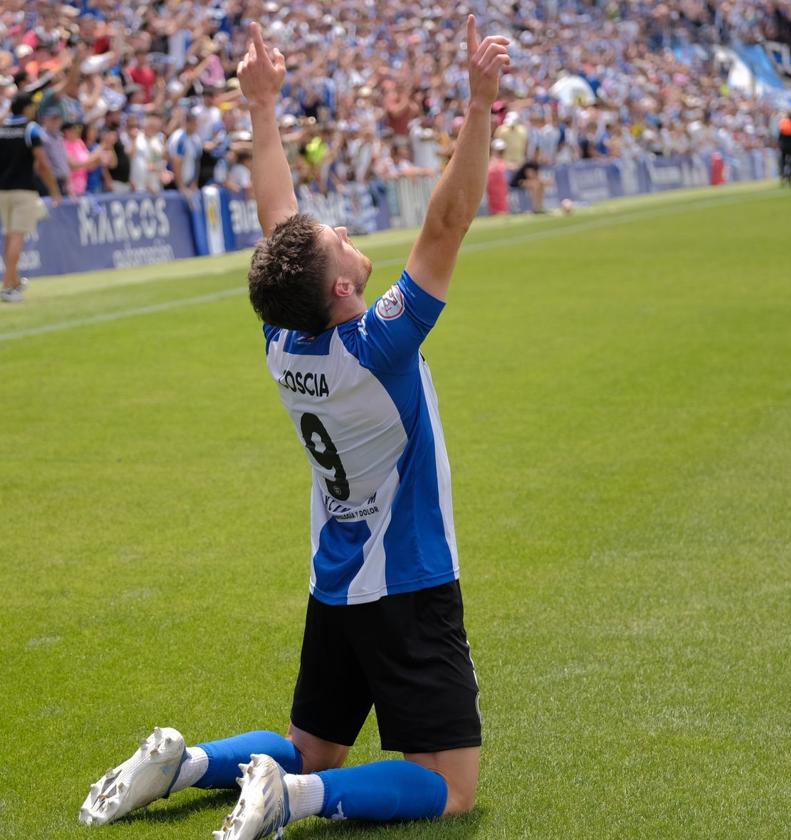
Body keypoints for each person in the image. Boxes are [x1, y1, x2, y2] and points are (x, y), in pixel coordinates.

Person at [80, 19, 510, 840]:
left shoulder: (284, 337)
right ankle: (294, 800)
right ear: (346, 288)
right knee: (449, 785)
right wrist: (480, 103)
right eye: (338, 240)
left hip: (336, 576)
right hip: (409, 579)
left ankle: (188, 764)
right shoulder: (375, 342)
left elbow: (280, 221)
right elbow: (446, 224)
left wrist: (264, 107)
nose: (343, 232)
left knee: (313, 744)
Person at [0, 90, 60, 304]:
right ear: (27, 108)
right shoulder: (30, 130)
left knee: (9, 237)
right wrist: (53, 189)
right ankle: (7, 286)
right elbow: (42, 163)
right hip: (23, 189)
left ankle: (13, 280)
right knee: (17, 236)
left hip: (2, 191)